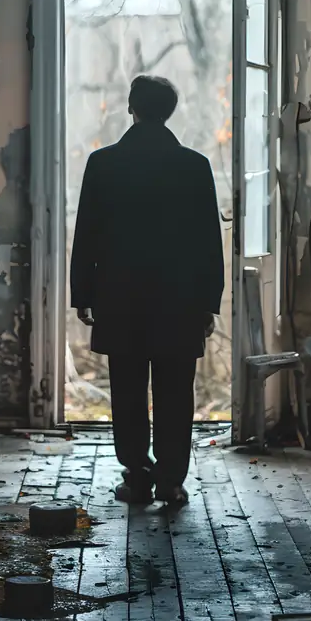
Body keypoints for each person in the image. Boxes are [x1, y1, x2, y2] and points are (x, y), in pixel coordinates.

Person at [70, 74, 224, 506]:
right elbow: (208, 242)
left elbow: (88, 235)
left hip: (120, 294)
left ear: (131, 107)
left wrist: (83, 294)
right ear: (170, 111)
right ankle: (172, 480)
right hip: (180, 297)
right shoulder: (194, 165)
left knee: (128, 387)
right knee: (177, 390)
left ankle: (136, 475)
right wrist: (209, 301)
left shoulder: (103, 163)